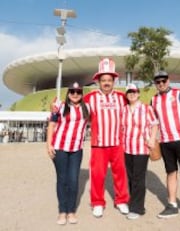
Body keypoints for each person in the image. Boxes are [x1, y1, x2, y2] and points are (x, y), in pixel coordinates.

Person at [150, 71, 180, 228]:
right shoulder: (154, 99)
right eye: (158, 82)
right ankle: (172, 205)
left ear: (168, 80)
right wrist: (153, 139)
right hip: (165, 142)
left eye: (163, 81)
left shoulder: (179, 94)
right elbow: (154, 121)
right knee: (171, 173)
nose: (161, 84)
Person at [84, 58, 130, 218]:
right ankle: (97, 203)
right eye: (103, 80)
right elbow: (78, 112)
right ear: (98, 81)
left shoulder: (121, 97)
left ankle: (122, 200)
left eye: (109, 80)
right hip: (99, 144)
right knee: (97, 175)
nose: (106, 82)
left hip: (117, 143)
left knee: (120, 173)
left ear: (113, 81)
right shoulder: (90, 98)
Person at [47, 82, 90, 225]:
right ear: (68, 93)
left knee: (73, 180)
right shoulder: (60, 106)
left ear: (82, 94)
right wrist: (48, 145)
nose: (75, 94)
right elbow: (52, 125)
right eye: (72, 91)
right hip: (60, 148)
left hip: (77, 149)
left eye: (78, 92)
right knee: (62, 179)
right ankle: (62, 211)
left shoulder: (87, 108)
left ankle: (71, 211)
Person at [121, 83, 159, 220]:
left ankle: (137, 208)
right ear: (126, 95)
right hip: (127, 148)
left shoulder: (146, 109)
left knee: (138, 177)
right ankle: (135, 203)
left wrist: (152, 139)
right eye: (129, 92)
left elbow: (154, 124)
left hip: (141, 148)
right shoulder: (123, 110)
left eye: (134, 91)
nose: (132, 93)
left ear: (138, 93)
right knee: (131, 177)